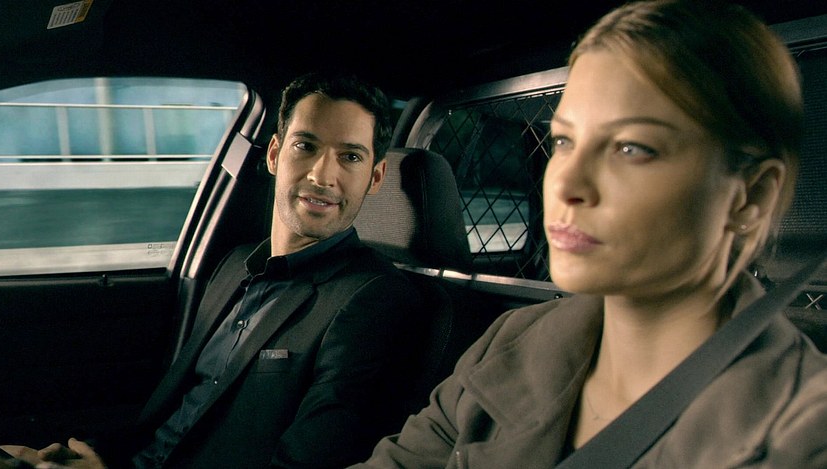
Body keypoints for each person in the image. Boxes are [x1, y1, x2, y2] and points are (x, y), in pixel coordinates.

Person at [351, 0, 827, 467]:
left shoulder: (804, 433)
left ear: (750, 196)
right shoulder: (513, 341)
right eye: (563, 141)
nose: (565, 184)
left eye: (631, 148)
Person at [2, 73, 425, 468]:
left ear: (375, 177)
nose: (322, 174)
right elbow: (173, 415)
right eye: (305, 146)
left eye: (350, 156)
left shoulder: (375, 299)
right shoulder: (234, 266)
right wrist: (92, 456)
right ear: (274, 154)